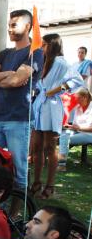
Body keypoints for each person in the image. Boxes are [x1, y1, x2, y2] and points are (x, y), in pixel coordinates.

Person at [0, 9, 44, 191]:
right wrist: (8, 74)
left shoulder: (35, 53)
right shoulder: (4, 54)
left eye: (14, 25)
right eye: (9, 25)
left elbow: (17, 81)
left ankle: (17, 214)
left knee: (19, 169)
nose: (9, 29)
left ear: (28, 26)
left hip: (20, 119)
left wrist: (4, 79)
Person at [30, 33, 84, 199]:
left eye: (45, 44)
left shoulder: (61, 62)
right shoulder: (43, 61)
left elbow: (77, 80)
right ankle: (36, 182)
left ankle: (50, 185)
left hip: (52, 106)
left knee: (50, 146)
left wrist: (58, 89)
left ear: (53, 45)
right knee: (36, 147)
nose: (42, 47)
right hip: (39, 104)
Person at [59, 87, 92, 171]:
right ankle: (61, 163)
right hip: (77, 131)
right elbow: (75, 124)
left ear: (85, 97)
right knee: (64, 133)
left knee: (65, 137)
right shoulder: (78, 107)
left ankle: (62, 164)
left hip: (88, 134)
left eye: (79, 99)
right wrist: (69, 126)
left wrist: (79, 128)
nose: (77, 101)